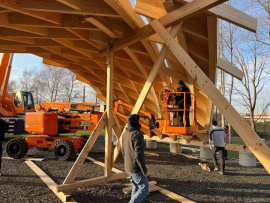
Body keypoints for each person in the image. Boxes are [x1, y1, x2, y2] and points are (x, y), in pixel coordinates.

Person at [121, 114, 149, 203]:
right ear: (136, 122)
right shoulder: (137, 134)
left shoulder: (125, 134)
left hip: (128, 166)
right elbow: (138, 155)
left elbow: (123, 151)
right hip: (135, 168)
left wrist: (127, 162)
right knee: (144, 188)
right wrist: (144, 170)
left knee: (136, 187)